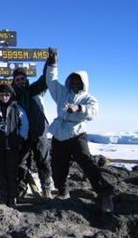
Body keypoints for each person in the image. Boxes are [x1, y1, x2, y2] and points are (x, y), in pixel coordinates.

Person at [45, 48, 114, 213]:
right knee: (57, 166)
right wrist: (53, 63)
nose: (75, 84)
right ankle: (62, 192)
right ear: (69, 82)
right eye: (73, 81)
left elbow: (93, 112)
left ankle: (104, 192)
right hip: (60, 135)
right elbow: (51, 81)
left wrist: (79, 108)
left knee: (87, 163)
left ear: (83, 83)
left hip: (77, 135)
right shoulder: (62, 92)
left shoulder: (89, 98)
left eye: (78, 82)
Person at [11, 67, 53, 200]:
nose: (20, 81)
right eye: (17, 79)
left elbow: (45, 79)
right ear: (14, 81)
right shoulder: (12, 95)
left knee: (43, 160)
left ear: (26, 79)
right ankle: (22, 189)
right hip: (22, 134)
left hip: (39, 131)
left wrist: (50, 63)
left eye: (22, 79)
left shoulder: (34, 89)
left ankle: (46, 189)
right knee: (22, 162)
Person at [0, 84, 29, 207]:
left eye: (7, 94)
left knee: (12, 172)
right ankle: (3, 197)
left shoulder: (17, 109)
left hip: (13, 147)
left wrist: (21, 138)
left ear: (11, 95)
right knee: (1, 172)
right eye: (2, 94)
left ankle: (13, 197)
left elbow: (24, 124)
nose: (4, 97)